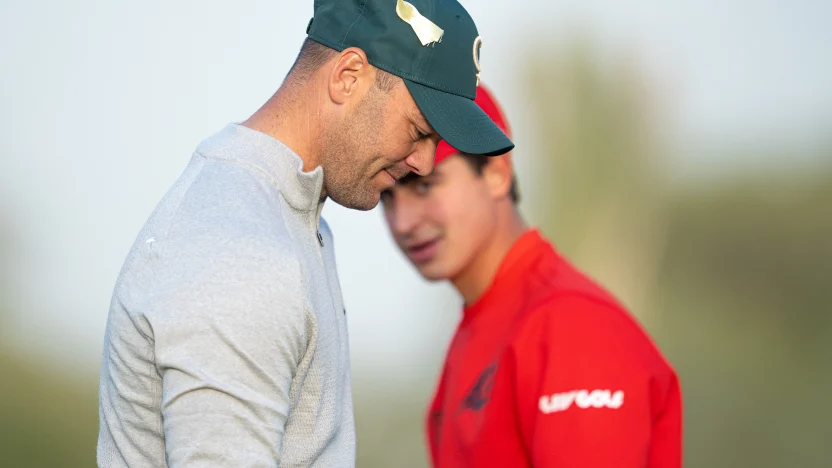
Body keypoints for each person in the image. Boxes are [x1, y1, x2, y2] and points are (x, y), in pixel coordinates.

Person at [96, 0, 513, 466]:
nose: (423, 161)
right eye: (418, 131)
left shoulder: (285, 218)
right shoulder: (241, 253)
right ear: (348, 76)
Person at [380, 84, 682, 467]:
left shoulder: (571, 327)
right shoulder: (477, 333)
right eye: (388, 197)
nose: (403, 222)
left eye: (425, 186)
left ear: (496, 173)